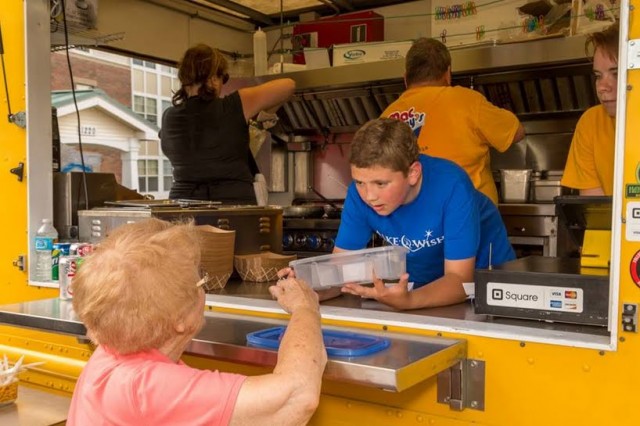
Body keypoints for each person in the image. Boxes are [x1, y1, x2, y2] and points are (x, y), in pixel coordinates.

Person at [67, 218, 326, 425]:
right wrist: (305, 308)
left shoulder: (109, 355)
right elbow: (295, 396)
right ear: (179, 319)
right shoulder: (146, 388)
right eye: (199, 281)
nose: (203, 290)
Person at [334, 118, 515, 310]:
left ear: (413, 173)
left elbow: (460, 279)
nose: (369, 196)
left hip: (490, 288)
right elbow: (339, 270)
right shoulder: (358, 193)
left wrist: (409, 301)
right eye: (360, 182)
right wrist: (307, 288)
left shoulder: (453, 186)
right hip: (422, 289)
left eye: (381, 184)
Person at [381, 37, 525, 205]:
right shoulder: (467, 102)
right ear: (448, 74)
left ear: (405, 78)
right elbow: (517, 133)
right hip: (470, 218)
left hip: (413, 224)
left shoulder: (386, 117)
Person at [160, 44, 295, 204]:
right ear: (213, 78)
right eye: (222, 77)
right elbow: (288, 85)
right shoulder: (233, 106)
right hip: (232, 207)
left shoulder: (169, 117)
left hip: (183, 205)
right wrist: (260, 112)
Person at [561, 22, 619, 195]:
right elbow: (595, 212)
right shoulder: (591, 124)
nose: (602, 87)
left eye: (615, 74)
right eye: (598, 76)